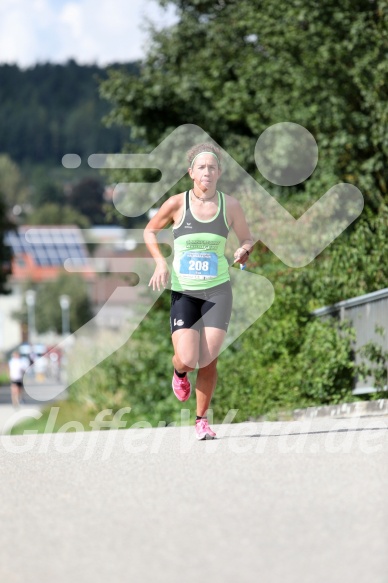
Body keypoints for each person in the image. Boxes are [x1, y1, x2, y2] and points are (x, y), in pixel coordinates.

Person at [144, 143, 253, 440]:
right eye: (201, 167)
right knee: (187, 358)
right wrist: (159, 264)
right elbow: (149, 230)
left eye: (212, 167)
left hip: (217, 291)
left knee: (209, 359)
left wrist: (244, 250)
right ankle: (179, 374)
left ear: (219, 172)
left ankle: (201, 420)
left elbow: (247, 238)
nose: (207, 171)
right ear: (191, 172)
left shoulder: (230, 205)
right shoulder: (177, 204)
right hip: (185, 292)